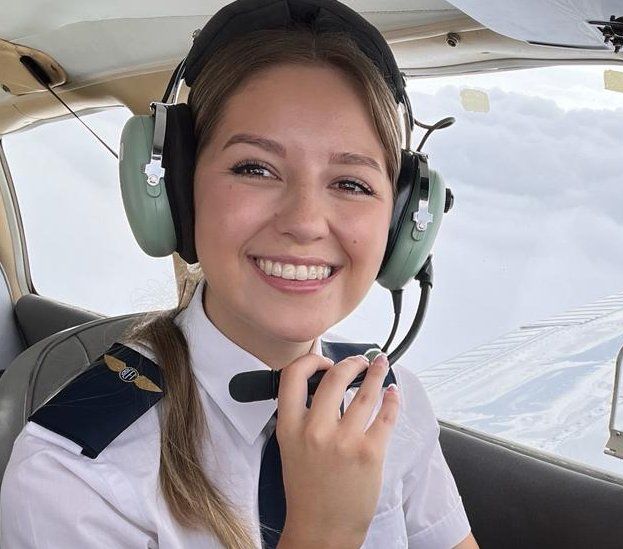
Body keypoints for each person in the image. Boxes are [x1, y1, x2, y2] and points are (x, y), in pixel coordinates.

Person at [0, 1, 478, 548]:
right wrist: (325, 532)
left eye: (351, 183)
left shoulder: (393, 403)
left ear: (401, 224)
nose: (303, 222)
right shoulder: (71, 477)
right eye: (255, 168)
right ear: (177, 192)